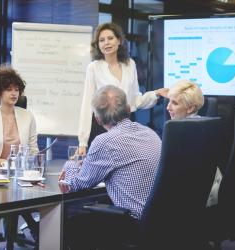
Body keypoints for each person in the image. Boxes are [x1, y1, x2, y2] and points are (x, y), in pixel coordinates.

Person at [59, 85, 162, 250]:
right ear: (128, 109)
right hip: (160, 222)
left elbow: (77, 185)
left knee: (67, 226)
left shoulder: (104, 142)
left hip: (134, 225)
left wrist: (70, 164)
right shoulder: (150, 133)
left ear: (98, 119)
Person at [78, 22, 168, 155]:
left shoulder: (130, 65)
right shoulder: (94, 67)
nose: (106, 43)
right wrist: (82, 142)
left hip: (126, 126)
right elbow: (87, 105)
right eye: (101, 40)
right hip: (103, 127)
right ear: (98, 45)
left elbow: (135, 100)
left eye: (110, 38)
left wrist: (156, 94)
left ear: (119, 40)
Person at [0, 65, 39, 248]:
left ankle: (17, 239)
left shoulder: (28, 116)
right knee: (12, 200)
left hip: (22, 175)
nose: (14, 93)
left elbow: (34, 149)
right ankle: (22, 236)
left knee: (21, 197)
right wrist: (10, 163)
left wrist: (25, 164)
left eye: (17, 89)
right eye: (8, 89)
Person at [166, 79, 221, 207]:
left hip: (189, 202)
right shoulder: (205, 125)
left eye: (174, 103)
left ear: (190, 108)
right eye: (169, 101)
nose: (168, 107)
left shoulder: (178, 134)